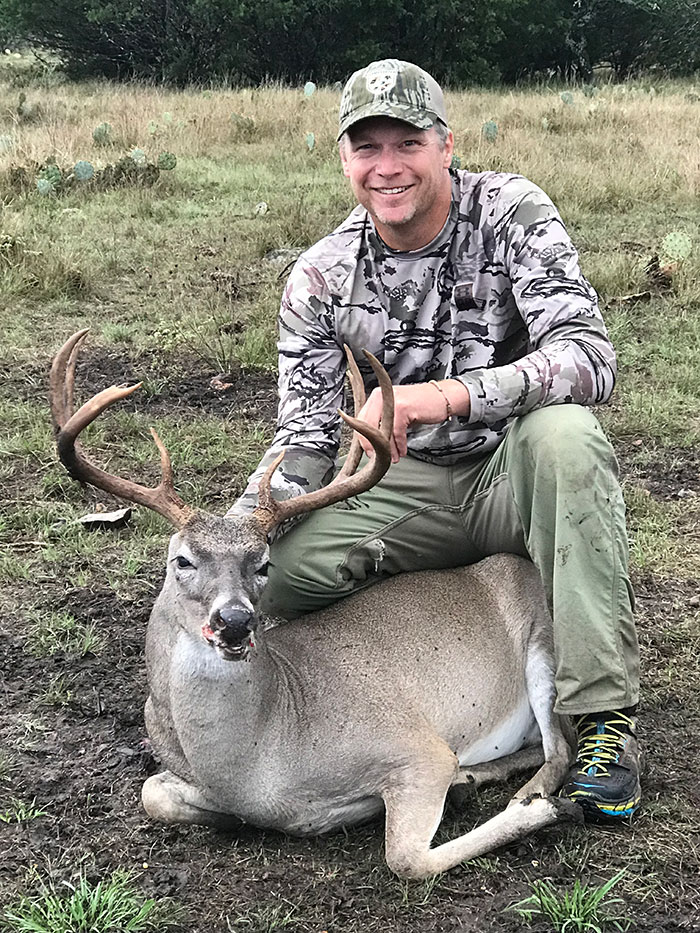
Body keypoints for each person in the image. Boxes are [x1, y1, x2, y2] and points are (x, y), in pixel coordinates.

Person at [231, 59, 641, 820]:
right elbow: (308, 433)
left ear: (446, 145)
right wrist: (246, 519)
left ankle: (602, 716)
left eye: (408, 142)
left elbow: (590, 358)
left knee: (570, 439)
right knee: (270, 575)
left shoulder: (512, 212)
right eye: (366, 146)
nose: (387, 167)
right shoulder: (320, 278)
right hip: (397, 487)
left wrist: (450, 396)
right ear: (344, 158)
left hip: (511, 469)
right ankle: (428, 675)